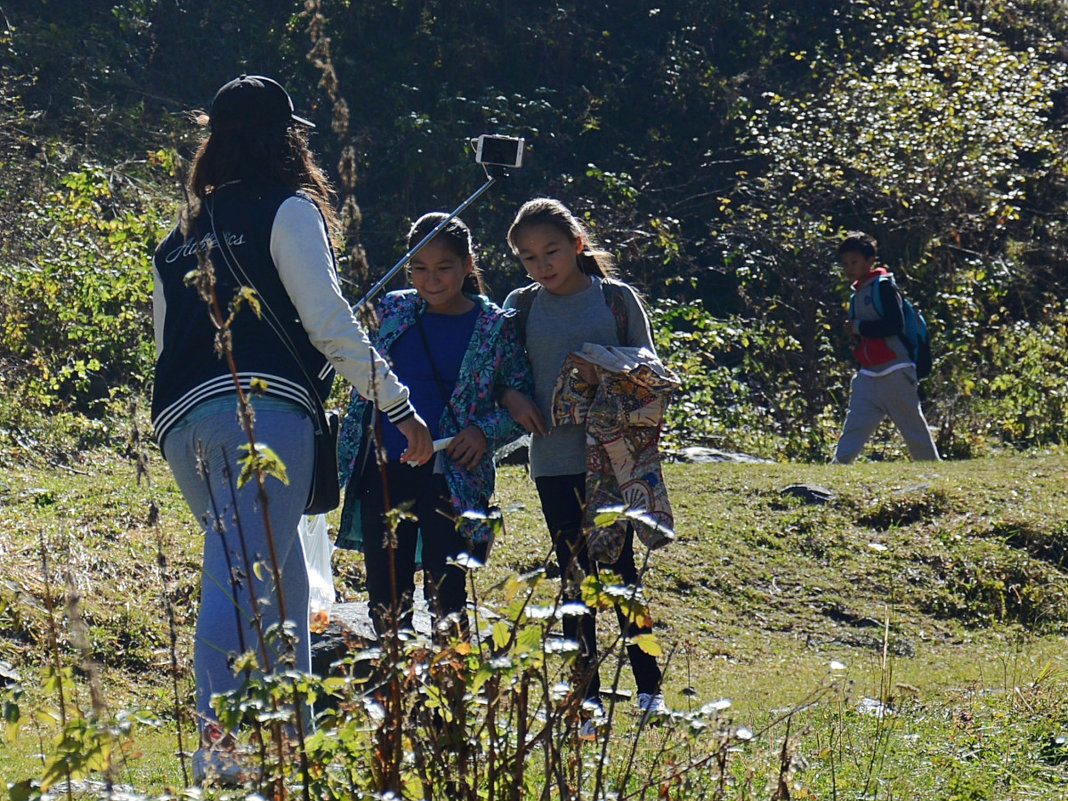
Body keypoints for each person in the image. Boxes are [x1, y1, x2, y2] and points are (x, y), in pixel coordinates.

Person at [151, 74, 433, 785]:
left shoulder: (176, 237)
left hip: (182, 423)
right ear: (287, 139)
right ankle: (223, 752)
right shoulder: (289, 209)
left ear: (213, 138)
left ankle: (287, 742)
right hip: (262, 414)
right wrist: (396, 405)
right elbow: (329, 321)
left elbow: (163, 344)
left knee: (261, 577)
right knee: (243, 577)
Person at [500, 197, 671, 740]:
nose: (542, 265)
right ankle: (586, 697)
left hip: (613, 461)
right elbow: (501, 373)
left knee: (621, 573)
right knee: (573, 575)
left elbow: (650, 372)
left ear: (576, 244)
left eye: (551, 251)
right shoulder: (521, 305)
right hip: (552, 460)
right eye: (528, 257)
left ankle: (649, 689)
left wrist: (604, 382)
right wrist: (513, 400)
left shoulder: (616, 299)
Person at [336, 212, 533, 641]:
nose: (432, 279)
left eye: (444, 267)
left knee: (449, 591)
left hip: (454, 476)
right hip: (383, 467)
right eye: (419, 268)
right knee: (387, 590)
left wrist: (483, 433)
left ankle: (450, 690)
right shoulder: (390, 309)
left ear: (467, 264)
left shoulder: (495, 327)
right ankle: (394, 686)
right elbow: (349, 362)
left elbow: (520, 398)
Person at [832, 230, 939, 463]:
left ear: (870, 262)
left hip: (895, 370)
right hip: (869, 373)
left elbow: (893, 325)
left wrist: (859, 328)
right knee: (854, 426)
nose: (849, 268)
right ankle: (837, 469)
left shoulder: (883, 287)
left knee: (913, 428)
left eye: (854, 262)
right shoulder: (856, 294)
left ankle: (934, 472)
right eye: (845, 263)